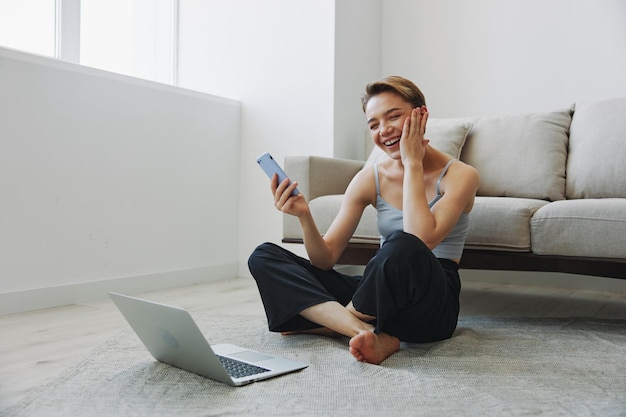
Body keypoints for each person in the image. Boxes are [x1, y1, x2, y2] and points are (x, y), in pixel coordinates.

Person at [248, 76, 479, 365]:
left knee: (401, 244)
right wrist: (304, 216)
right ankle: (367, 332)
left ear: (421, 114)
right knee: (264, 256)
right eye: (374, 124)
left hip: (432, 303)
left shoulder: (461, 175)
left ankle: (324, 319)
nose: (385, 130)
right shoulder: (369, 177)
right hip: (379, 291)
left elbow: (421, 239)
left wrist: (412, 164)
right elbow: (325, 260)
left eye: (394, 116)